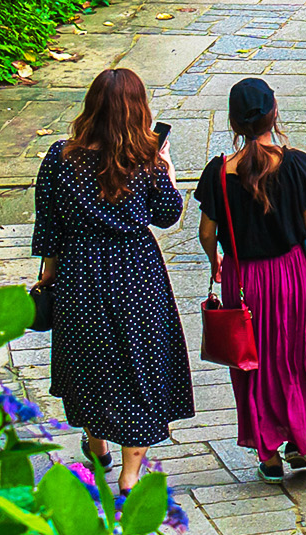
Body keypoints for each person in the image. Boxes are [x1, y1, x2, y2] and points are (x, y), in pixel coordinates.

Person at [33, 68, 193, 493]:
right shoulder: (146, 160)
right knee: (139, 365)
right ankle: (129, 474)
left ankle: (96, 445)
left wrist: (48, 274)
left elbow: (48, 224)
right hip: (135, 272)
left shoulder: (60, 157)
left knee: (90, 363)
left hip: (80, 271)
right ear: (138, 110)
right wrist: (167, 170)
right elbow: (167, 215)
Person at [196, 77, 306, 481]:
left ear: (233, 122)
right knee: (295, 355)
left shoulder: (218, 172)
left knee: (252, 361)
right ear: (274, 113)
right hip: (289, 274)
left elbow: (207, 233)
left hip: (243, 278)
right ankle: (300, 440)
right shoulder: (296, 164)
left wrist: (215, 262)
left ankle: (268, 455)